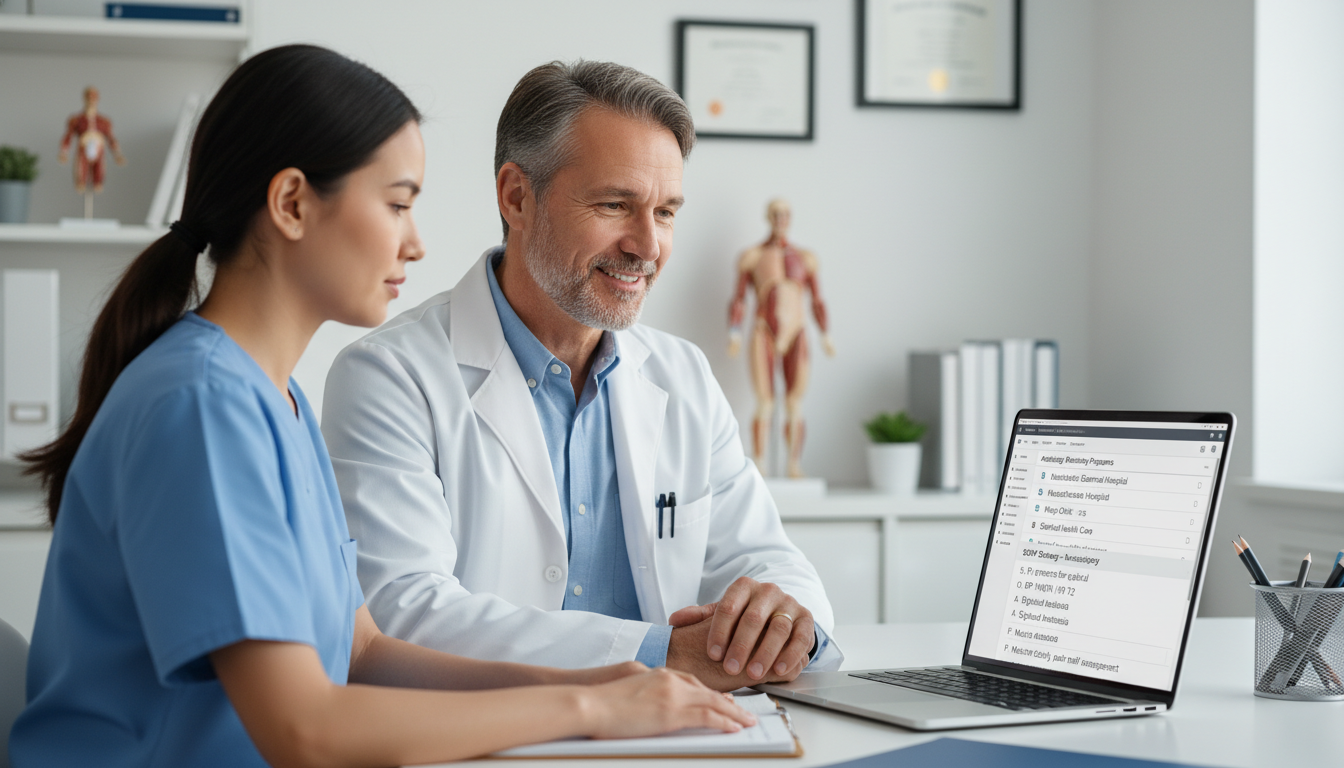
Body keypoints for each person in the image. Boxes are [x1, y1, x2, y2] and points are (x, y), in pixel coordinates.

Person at [10, 45, 753, 768]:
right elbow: (304, 731)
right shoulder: (203, 405)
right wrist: (588, 711)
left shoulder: (279, 398)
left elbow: (362, 650)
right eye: (397, 204)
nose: (417, 243)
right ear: (292, 203)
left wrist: (600, 681)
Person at [321, 60, 844, 693]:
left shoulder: (682, 375)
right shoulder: (389, 375)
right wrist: (663, 654)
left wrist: (787, 621)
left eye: (668, 212)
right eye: (615, 204)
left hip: (681, 742)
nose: (648, 246)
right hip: (488, 746)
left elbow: (764, 558)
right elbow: (399, 615)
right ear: (517, 196)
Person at [727, 198, 835, 479]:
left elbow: (817, 300)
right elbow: (739, 299)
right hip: (765, 328)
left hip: (797, 331)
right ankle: (760, 464)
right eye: (776, 214)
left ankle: (793, 465)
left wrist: (826, 335)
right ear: (768, 217)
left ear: (790, 217)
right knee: (765, 401)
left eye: (785, 214)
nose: (780, 219)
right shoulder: (752, 256)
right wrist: (734, 334)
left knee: (794, 402)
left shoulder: (805, 258)